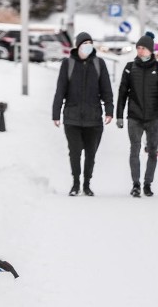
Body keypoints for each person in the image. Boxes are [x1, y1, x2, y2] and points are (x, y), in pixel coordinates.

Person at [52, 32, 114, 196]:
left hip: (93, 119)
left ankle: (87, 184)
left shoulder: (99, 63)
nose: (88, 45)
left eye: (90, 42)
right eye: (84, 42)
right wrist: (56, 113)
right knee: (74, 152)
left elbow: (106, 89)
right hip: (72, 118)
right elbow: (60, 90)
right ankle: (75, 183)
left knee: (91, 154)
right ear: (78, 45)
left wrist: (109, 110)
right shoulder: (68, 63)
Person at [116, 35, 158, 197]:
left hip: (154, 117)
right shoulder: (129, 68)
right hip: (134, 116)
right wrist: (119, 115)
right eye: (138, 48)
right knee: (134, 149)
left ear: (150, 50)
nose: (140, 51)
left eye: (143, 48)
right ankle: (135, 184)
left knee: (152, 151)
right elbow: (122, 93)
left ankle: (147, 183)